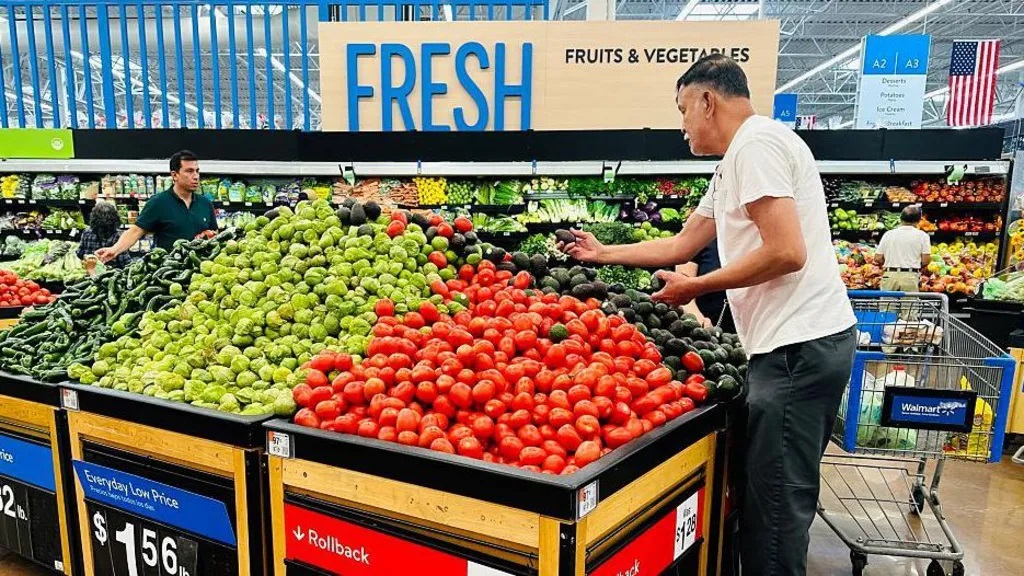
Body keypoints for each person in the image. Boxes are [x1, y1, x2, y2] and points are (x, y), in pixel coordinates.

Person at [561, 53, 857, 576]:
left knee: (775, 507)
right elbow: (682, 243)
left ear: (707, 100)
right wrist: (602, 253)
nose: (682, 126)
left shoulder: (757, 146)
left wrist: (696, 286)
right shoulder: (737, 160)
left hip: (798, 348)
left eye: (682, 110)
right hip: (791, 347)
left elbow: (787, 251)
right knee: (767, 495)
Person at [96, 150, 216, 262]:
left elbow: (214, 234)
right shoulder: (158, 202)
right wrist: (114, 250)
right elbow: (136, 231)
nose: (196, 176)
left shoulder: (205, 203)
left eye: (197, 171)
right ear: (175, 175)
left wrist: (208, 236)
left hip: (199, 269)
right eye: (189, 171)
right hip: (169, 270)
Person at [874, 205, 931, 291]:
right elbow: (925, 261)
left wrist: (890, 263)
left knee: (887, 300)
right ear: (919, 220)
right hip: (910, 277)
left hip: (889, 275)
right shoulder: (923, 236)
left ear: (901, 218)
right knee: (909, 300)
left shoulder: (888, 234)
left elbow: (877, 258)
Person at [77, 201, 132, 271]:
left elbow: (79, 254)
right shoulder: (118, 235)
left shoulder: (87, 232)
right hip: (111, 274)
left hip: (90, 271)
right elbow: (125, 263)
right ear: (115, 218)